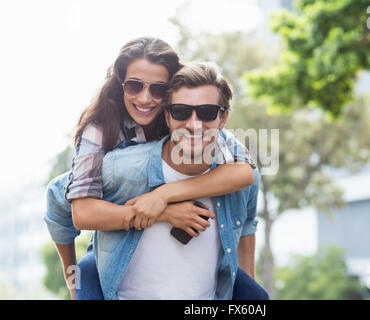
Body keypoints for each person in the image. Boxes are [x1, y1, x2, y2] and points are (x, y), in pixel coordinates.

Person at [44, 37, 257, 299]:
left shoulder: (195, 122)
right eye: (134, 86)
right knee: (85, 276)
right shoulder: (102, 130)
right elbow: (72, 205)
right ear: (121, 84)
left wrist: (163, 195)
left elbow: (245, 172)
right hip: (111, 242)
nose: (145, 98)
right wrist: (161, 212)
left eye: (158, 89)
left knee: (254, 296)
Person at [90, 61, 268, 299]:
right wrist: (76, 284)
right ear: (167, 117)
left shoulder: (243, 176)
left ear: (223, 119)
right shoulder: (121, 167)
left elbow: (246, 226)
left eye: (207, 113)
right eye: (181, 112)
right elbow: (61, 204)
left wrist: (163, 195)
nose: (194, 125)